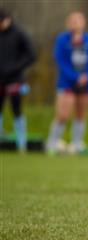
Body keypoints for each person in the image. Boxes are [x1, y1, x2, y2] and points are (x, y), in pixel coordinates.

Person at [46, 11, 88, 154]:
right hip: (67, 82)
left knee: (81, 114)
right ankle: (52, 143)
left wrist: (87, 76)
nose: (76, 23)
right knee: (63, 114)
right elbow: (60, 61)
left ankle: (77, 144)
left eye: (79, 20)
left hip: (86, 83)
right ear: (68, 23)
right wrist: (76, 77)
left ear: (84, 22)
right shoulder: (63, 40)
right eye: (73, 20)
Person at [0, 9, 35, 152]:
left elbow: (30, 56)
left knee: (17, 109)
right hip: (0, 79)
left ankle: (22, 144)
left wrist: (14, 67)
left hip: (15, 78)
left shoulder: (19, 34)